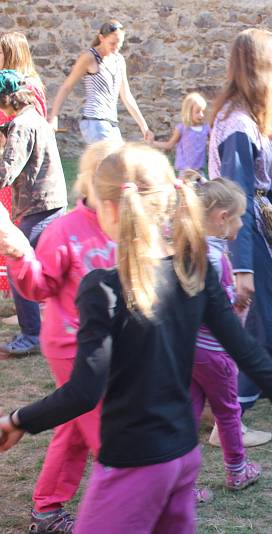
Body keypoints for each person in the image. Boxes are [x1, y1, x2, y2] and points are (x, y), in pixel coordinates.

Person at [0, 143, 272, 534]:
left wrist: (18, 420)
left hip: (131, 467)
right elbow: (246, 350)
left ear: (109, 209)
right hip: (182, 458)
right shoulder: (195, 271)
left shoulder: (101, 288)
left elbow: (84, 392)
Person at [0, 140, 119, 534]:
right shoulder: (64, 230)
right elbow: (37, 287)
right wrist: (20, 256)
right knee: (104, 428)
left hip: (111, 344)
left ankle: (47, 510)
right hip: (70, 343)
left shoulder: (125, 223)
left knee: (74, 424)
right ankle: (139, 484)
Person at [208, 28, 272, 447]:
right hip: (241, 234)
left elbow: (260, 190)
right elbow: (236, 195)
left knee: (267, 328)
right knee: (263, 329)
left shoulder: (242, 119)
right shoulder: (238, 125)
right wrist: (242, 266)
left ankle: (231, 415)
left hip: (252, 230)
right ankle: (229, 422)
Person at [190, 177, 265, 503]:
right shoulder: (217, 258)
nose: (241, 223)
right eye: (239, 216)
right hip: (216, 353)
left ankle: (182, 484)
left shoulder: (193, 249)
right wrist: (237, 303)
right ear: (222, 217)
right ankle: (237, 470)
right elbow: (218, 308)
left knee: (188, 415)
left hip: (189, 350)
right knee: (228, 411)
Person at [0, 70, 68, 357]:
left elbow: (7, 171)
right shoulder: (33, 117)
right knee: (45, 270)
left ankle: (32, 335)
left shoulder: (21, 125)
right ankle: (55, 326)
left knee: (20, 267)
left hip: (40, 206)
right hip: (50, 202)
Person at [47, 20, 153, 144]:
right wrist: (54, 116)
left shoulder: (119, 60)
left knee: (118, 162)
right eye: (112, 43)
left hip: (112, 123)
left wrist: (144, 127)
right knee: (108, 161)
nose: (116, 47)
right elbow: (67, 86)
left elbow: (126, 96)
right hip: (95, 121)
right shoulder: (89, 57)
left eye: (120, 43)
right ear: (101, 38)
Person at [0, 32, 48, 303]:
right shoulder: (4, 85)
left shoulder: (28, 87)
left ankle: (20, 300)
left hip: (17, 167)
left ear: (12, 53)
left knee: (16, 232)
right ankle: (8, 292)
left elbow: (32, 130)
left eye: (0, 52)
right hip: (7, 160)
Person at [150, 92, 209, 176]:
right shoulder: (182, 128)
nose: (201, 115)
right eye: (198, 112)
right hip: (184, 171)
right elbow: (169, 145)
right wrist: (152, 143)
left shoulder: (206, 129)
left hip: (199, 171)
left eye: (202, 111)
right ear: (189, 112)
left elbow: (214, 143)